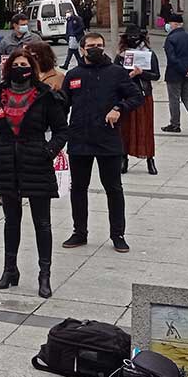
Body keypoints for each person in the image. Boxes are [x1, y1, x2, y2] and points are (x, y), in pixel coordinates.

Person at [0, 48, 68, 298]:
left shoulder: (45, 96)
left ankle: (44, 275)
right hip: (7, 162)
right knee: (11, 221)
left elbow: (62, 129)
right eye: (16, 64)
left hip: (36, 161)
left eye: (25, 64)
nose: (21, 68)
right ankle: (10, 270)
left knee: (42, 222)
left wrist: (49, 151)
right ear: (9, 68)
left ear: (32, 67)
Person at [60, 32, 143, 252]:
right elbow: (62, 105)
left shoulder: (116, 73)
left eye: (99, 45)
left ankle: (118, 235)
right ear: (82, 49)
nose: (95, 49)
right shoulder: (73, 75)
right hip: (79, 139)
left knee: (113, 188)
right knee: (78, 188)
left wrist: (119, 109)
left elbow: (136, 97)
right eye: (91, 46)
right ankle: (79, 232)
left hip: (108, 139)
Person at [117, 27, 161, 175]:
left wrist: (142, 73)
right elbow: (114, 75)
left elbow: (156, 75)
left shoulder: (149, 54)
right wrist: (127, 76)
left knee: (146, 127)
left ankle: (150, 159)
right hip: (126, 96)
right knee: (125, 128)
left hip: (144, 94)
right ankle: (124, 158)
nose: (133, 40)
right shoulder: (121, 56)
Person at [162, 12, 188, 133]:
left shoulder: (170, 39)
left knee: (174, 99)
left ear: (174, 24)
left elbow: (172, 58)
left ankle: (175, 124)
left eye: (169, 23)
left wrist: (184, 70)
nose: (168, 26)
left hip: (174, 74)